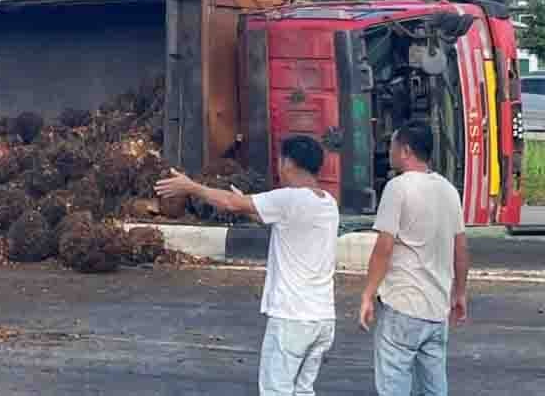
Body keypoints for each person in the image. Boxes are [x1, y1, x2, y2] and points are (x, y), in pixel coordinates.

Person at [156, 135, 338, 396]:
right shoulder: (326, 203)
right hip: (321, 318)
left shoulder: (290, 198)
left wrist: (191, 187)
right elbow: (271, 218)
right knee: (303, 391)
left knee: (276, 390)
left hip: (292, 318)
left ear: (287, 163)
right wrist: (246, 205)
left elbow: (230, 203)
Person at [359, 119, 470, 396]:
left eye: (393, 146)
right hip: (436, 310)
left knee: (394, 386)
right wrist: (460, 293)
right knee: (434, 389)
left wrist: (367, 295)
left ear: (406, 150)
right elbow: (460, 248)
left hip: (403, 306)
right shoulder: (448, 190)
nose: (390, 152)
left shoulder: (398, 188)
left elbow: (384, 247)